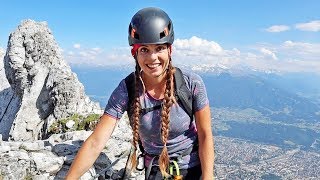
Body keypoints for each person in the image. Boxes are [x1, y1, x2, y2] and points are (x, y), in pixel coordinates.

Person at [66, 7, 214, 180]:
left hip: (194, 168)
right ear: (134, 53)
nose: (152, 58)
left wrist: (208, 176)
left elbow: (205, 134)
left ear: (169, 50)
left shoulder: (190, 83)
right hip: (155, 172)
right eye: (144, 49)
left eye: (159, 48)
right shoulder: (126, 90)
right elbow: (96, 142)